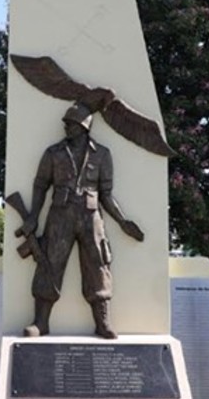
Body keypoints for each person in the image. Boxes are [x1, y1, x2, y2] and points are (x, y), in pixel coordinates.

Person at [17, 102, 144, 339]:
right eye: (66, 124)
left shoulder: (103, 154)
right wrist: (33, 216)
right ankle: (41, 322)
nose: (66, 128)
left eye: (71, 124)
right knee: (49, 263)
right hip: (60, 216)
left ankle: (102, 322)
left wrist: (122, 221)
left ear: (84, 127)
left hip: (91, 217)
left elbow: (106, 194)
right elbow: (41, 185)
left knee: (98, 265)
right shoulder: (53, 153)